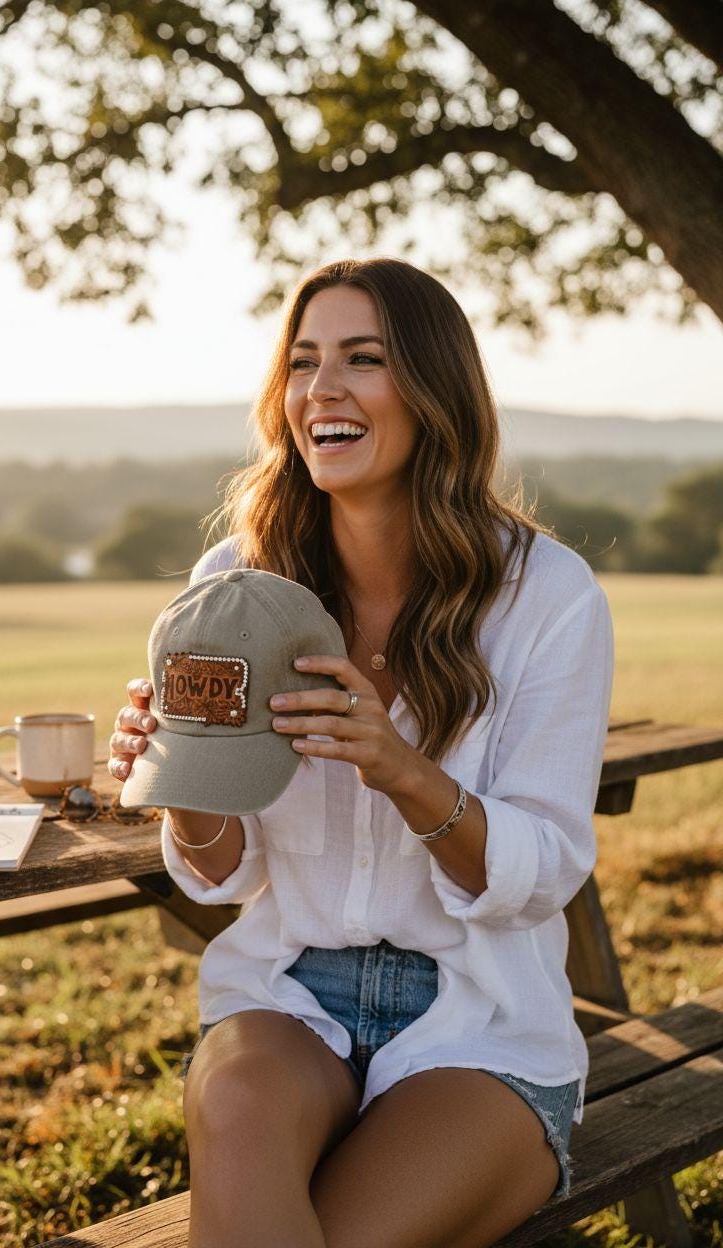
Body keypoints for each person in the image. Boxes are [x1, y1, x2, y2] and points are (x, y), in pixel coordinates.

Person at [107, 257, 614, 1248]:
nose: (320, 390)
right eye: (301, 363)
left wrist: (403, 771)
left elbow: (543, 877)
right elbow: (220, 873)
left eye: (362, 359)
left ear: (432, 391)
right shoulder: (234, 582)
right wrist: (181, 779)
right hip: (286, 992)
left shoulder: (547, 597)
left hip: (482, 1021)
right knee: (242, 1118)